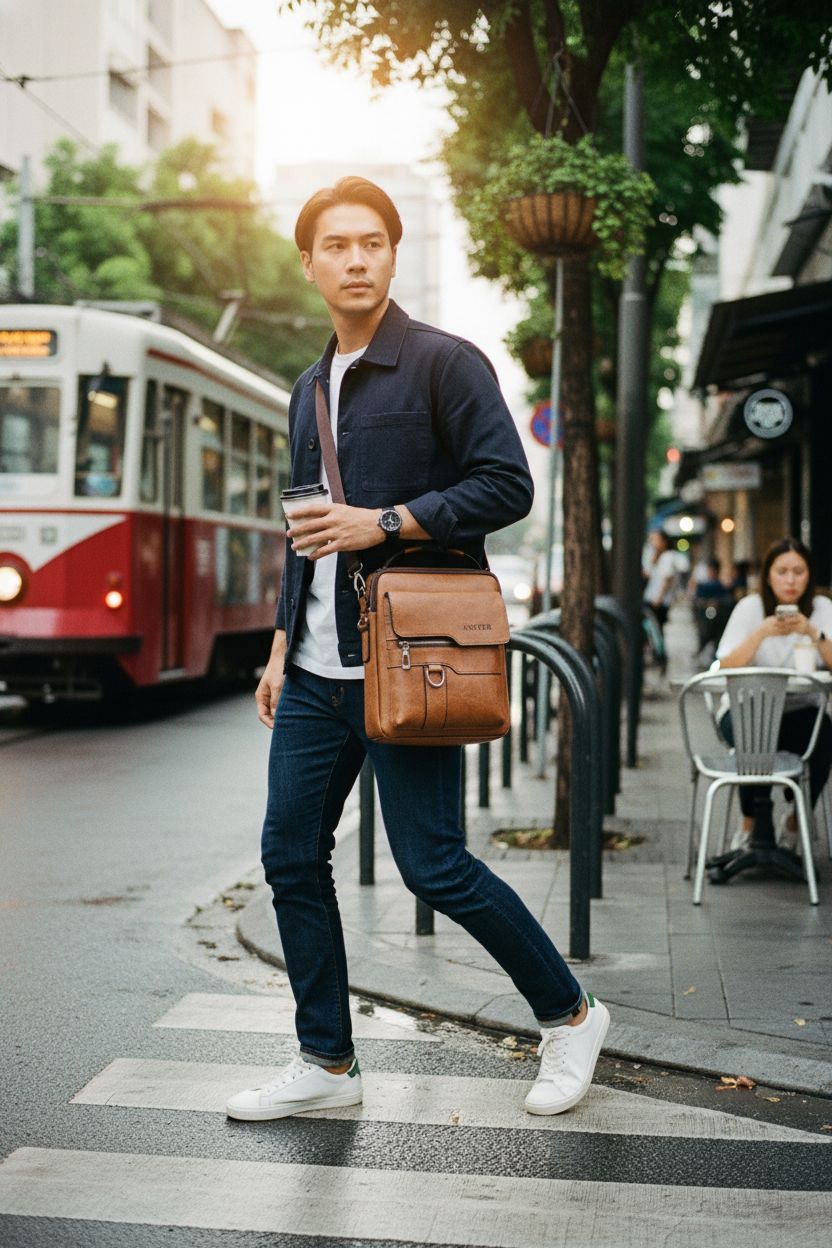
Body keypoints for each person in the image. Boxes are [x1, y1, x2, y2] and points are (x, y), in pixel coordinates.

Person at [226, 177, 609, 1123]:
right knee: (290, 857)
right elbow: (304, 529)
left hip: (411, 663)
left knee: (433, 864)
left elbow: (508, 484)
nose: (356, 260)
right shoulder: (309, 388)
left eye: (373, 243)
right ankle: (327, 1061)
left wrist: (387, 521)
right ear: (308, 264)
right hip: (314, 675)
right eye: (336, 246)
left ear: (394, 255)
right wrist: (279, 644)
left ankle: (571, 1015)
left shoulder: (444, 363)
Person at [715, 537, 832, 848]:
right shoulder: (750, 608)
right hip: (745, 709)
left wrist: (813, 632)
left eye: (799, 571)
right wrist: (761, 633)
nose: (791, 580)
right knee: (755, 734)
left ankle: (795, 819)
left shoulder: (822, 609)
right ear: (768, 576)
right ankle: (750, 822)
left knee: (825, 737)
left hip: (800, 710)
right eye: (782, 572)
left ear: (810, 576)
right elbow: (725, 665)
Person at [643, 529, 676, 631]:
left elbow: (667, 579)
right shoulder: (657, 557)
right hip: (652, 598)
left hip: (658, 601)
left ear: (664, 541)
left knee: (656, 629)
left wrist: (659, 598)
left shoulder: (668, 556)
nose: (652, 543)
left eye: (655, 539)